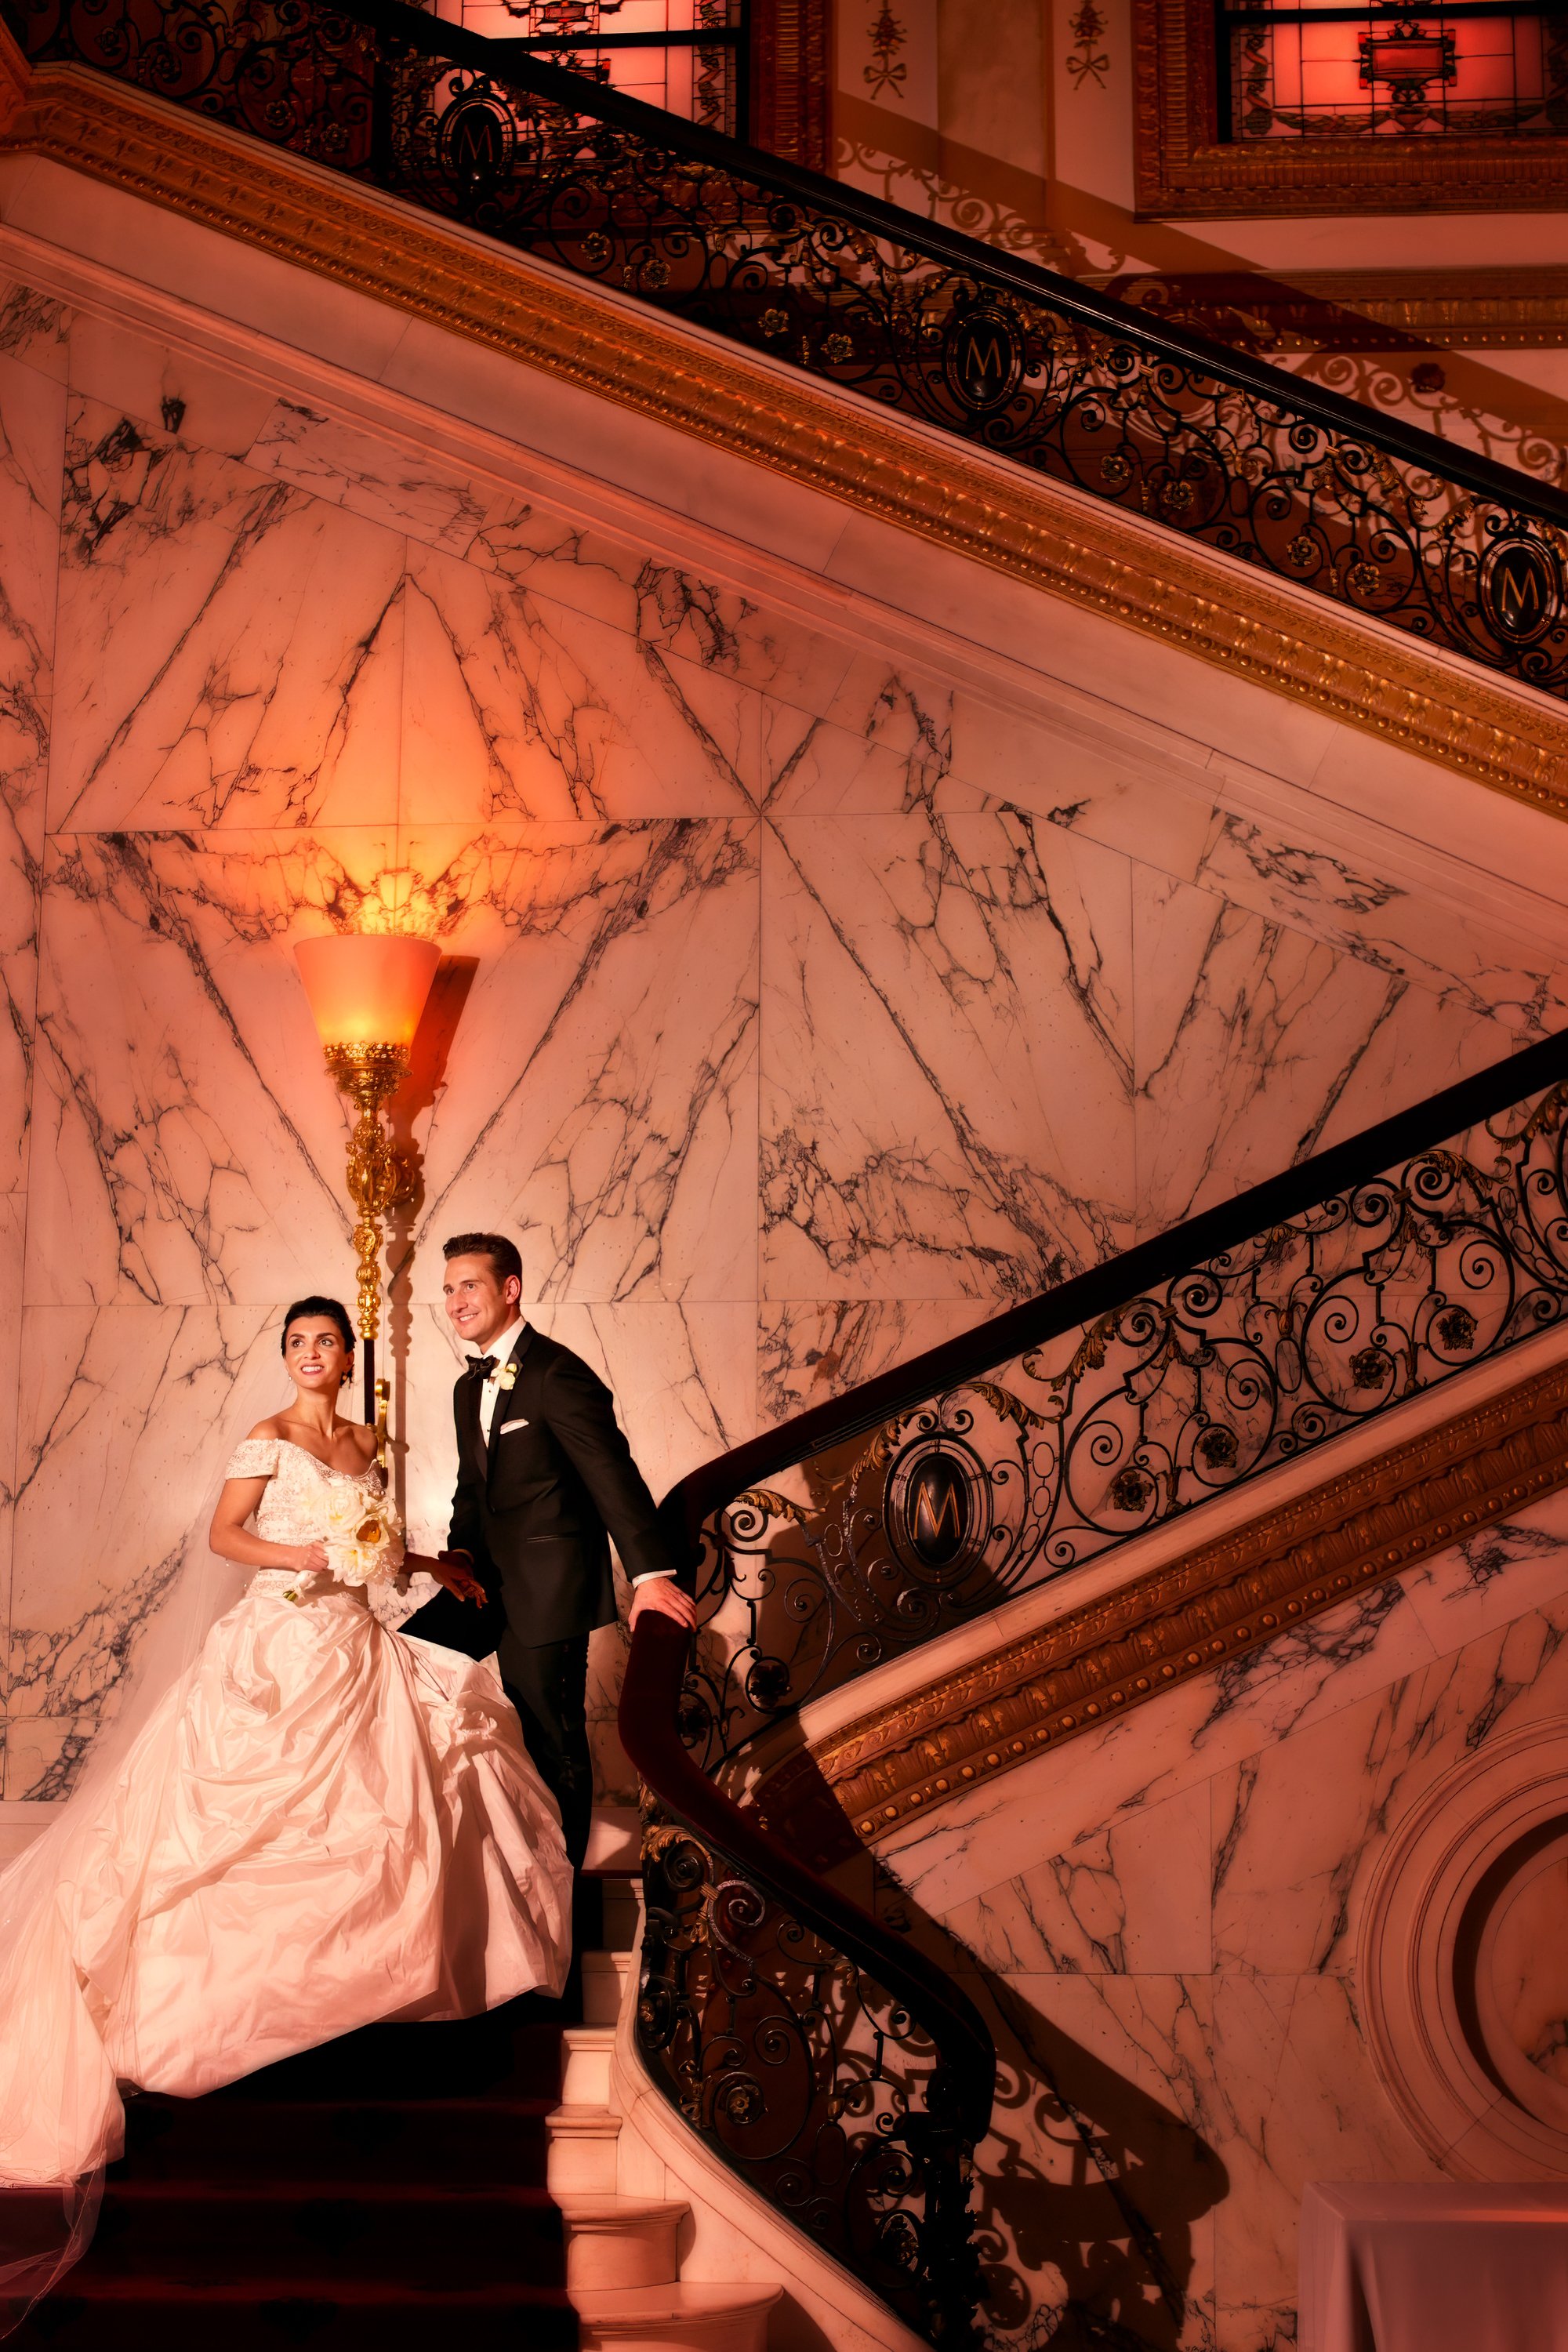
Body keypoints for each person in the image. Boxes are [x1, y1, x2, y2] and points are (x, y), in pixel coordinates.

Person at [0, 1295, 572, 2325]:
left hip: (356, 1642)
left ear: (348, 1357)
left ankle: (371, 1984)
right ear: (288, 1358)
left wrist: (431, 1566)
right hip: (273, 1651)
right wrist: (309, 1557)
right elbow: (226, 1537)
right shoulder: (267, 1439)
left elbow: (377, 1554)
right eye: (301, 1344)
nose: (315, 1356)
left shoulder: (365, 1442)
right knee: (241, 1829)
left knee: (436, 1767)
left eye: (328, 1344)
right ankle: (225, 2015)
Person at [400, 1233, 697, 1871]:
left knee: (552, 1738)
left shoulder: (558, 1373)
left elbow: (610, 1474)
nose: (455, 1301)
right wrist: (459, 1557)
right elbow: (472, 1487)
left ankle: (563, 1900)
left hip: (548, 1592)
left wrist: (649, 1575)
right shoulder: (465, 1388)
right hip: (486, 1586)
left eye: (469, 1285)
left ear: (510, 1290)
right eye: (448, 1289)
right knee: (405, 1665)